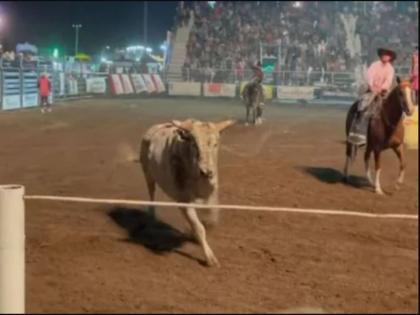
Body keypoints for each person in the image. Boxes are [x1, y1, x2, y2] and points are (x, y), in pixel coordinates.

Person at [348, 48, 396, 145]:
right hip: (371, 89)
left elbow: (388, 81)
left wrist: (382, 88)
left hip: (383, 92)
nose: (385, 56)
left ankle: (392, 135)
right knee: (363, 105)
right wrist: (372, 87)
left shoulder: (390, 68)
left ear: (390, 57)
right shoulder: (374, 65)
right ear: (381, 55)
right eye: (384, 54)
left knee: (394, 108)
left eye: (387, 55)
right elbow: (369, 76)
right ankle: (359, 131)